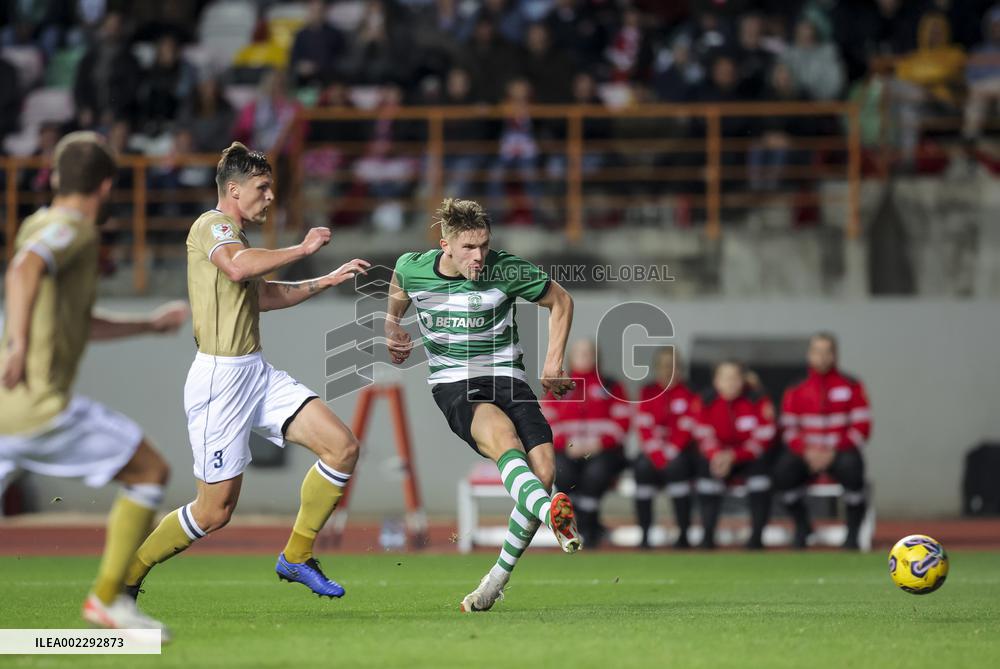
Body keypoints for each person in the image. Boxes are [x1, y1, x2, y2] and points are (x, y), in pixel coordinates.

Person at [122, 142, 371, 601]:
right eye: (263, 187)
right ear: (234, 190)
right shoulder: (212, 226)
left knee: (342, 448)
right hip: (219, 380)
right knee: (213, 512)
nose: (270, 196)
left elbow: (263, 295)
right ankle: (127, 575)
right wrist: (303, 248)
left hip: (255, 372)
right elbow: (238, 270)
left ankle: (296, 556)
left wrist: (326, 279)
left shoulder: (238, 239)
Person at [0, 131, 189, 634]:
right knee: (149, 471)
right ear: (106, 186)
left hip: (5, 407)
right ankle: (107, 601)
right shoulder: (73, 228)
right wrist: (17, 345)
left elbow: (76, 322)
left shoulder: (37, 221)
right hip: (39, 407)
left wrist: (147, 325)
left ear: (56, 179)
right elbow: (23, 270)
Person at [385, 197, 581, 612]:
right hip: (455, 382)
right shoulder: (412, 268)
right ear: (445, 245)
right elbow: (399, 287)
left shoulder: (506, 269)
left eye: (484, 245)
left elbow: (561, 300)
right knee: (505, 439)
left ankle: (495, 580)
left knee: (544, 472)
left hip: (508, 377)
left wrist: (552, 363)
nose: (479, 256)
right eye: (469, 247)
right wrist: (392, 326)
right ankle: (552, 514)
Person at [771, 333, 872, 550]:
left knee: (853, 470)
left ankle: (852, 536)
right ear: (809, 354)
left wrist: (832, 451)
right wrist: (807, 451)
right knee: (783, 472)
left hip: (840, 452)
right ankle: (802, 526)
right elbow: (788, 428)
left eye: (827, 352)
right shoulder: (796, 388)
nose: (822, 357)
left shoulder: (852, 385)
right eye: (817, 351)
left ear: (835, 355)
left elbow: (862, 427)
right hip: (806, 454)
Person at [543, 339, 631, 548]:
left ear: (597, 357)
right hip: (567, 452)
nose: (584, 356)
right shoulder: (558, 386)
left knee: (595, 474)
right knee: (562, 473)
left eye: (589, 353)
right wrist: (568, 444)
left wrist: (599, 443)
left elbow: (623, 420)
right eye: (579, 353)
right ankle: (577, 528)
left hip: (603, 452)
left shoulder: (610, 385)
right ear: (570, 357)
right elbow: (547, 421)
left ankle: (588, 531)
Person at [693, 360, 776, 549]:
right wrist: (716, 455)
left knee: (761, 471)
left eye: (735, 378)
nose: (730, 383)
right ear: (716, 381)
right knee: (705, 469)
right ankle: (707, 538)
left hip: (748, 458)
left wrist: (733, 456)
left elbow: (765, 435)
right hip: (718, 459)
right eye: (725, 378)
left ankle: (756, 538)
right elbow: (702, 434)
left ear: (743, 380)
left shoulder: (758, 399)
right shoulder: (704, 401)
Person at [632, 347, 698, 549]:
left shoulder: (690, 393)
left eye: (673, 365)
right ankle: (644, 535)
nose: (668, 370)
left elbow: (688, 426)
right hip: (654, 453)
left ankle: (683, 535)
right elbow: (644, 425)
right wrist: (658, 454)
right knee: (642, 468)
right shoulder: (647, 392)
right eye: (663, 365)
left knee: (678, 468)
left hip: (680, 453)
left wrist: (670, 451)